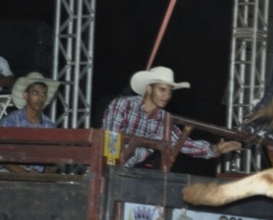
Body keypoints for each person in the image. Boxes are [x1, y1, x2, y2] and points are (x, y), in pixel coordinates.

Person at [101, 66, 241, 169]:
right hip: (103, 167)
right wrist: (112, 171)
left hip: (125, 172)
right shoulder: (124, 104)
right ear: (149, 89)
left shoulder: (163, 119)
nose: (167, 96)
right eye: (162, 90)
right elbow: (111, 140)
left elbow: (184, 144)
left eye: (170, 91)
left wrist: (216, 149)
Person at [0, 72, 60, 174]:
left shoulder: (49, 125)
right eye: (35, 93)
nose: (40, 98)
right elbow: (3, 157)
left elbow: (52, 160)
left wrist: (45, 178)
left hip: (38, 179)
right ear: (26, 95)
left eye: (43, 94)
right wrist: (27, 174)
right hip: (13, 176)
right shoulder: (11, 121)